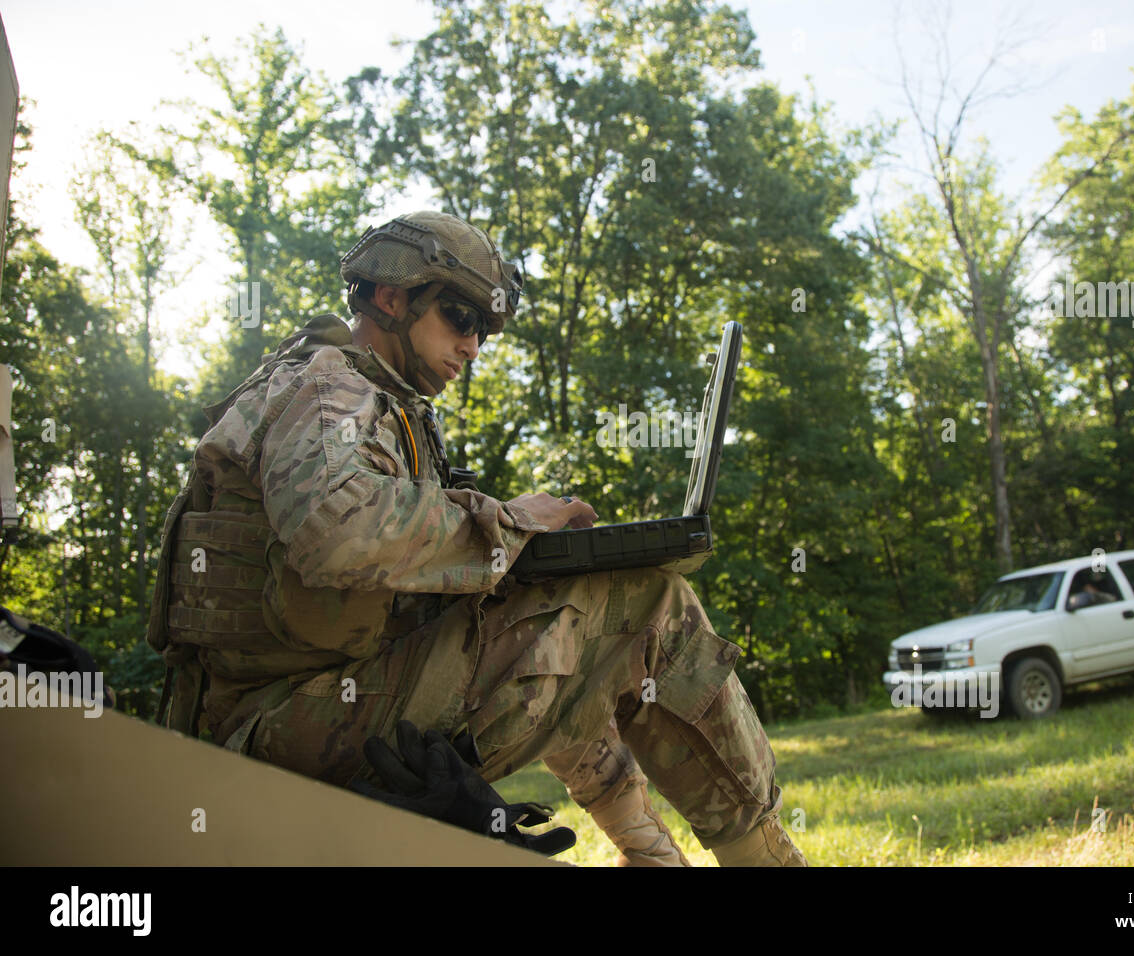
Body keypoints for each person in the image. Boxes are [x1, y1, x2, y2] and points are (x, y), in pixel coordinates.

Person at [147, 210, 806, 867]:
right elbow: (334, 532)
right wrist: (511, 523)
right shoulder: (328, 385)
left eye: (484, 330)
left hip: (309, 712)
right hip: (273, 732)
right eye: (461, 319)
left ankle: (657, 860)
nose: (472, 347)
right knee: (649, 606)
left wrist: (528, 551)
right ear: (390, 296)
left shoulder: (381, 403)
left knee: (583, 631)